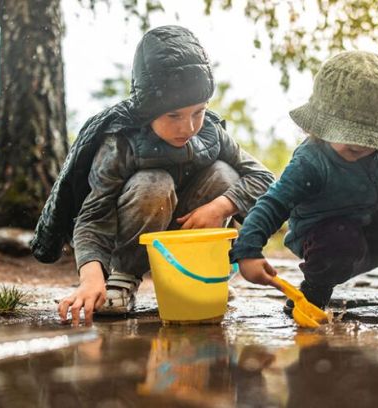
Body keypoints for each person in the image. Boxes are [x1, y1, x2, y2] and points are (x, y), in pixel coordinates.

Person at [30, 26, 274, 325]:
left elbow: (263, 178)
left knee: (224, 174)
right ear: (148, 110)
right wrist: (91, 278)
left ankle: (197, 273)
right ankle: (123, 278)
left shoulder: (210, 133)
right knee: (154, 184)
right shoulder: (121, 141)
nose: (188, 127)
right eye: (174, 116)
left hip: (185, 229)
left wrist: (221, 206)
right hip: (134, 229)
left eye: (198, 112)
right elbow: (93, 216)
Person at [230, 51, 378, 314]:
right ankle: (315, 289)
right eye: (352, 144)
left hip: (375, 236)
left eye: (372, 142)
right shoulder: (311, 161)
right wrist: (248, 250)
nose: (363, 146)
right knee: (340, 236)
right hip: (328, 245)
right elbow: (272, 203)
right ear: (319, 127)